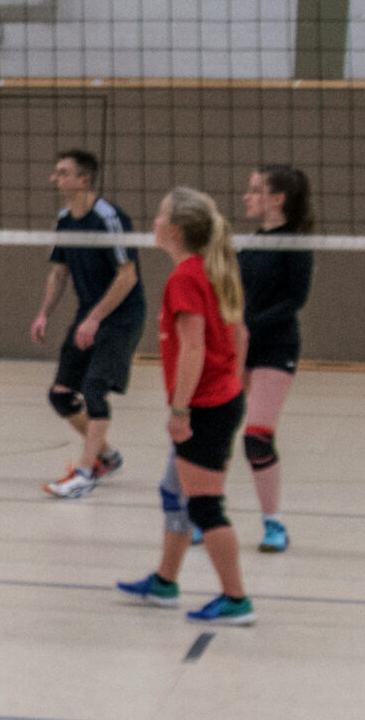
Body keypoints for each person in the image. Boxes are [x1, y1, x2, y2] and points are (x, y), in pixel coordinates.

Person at [115, 188, 257, 625]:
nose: (154, 221)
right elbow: (240, 335)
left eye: (160, 215)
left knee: (205, 507)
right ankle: (165, 582)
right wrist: (234, 386)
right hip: (219, 400)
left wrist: (181, 412)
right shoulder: (211, 270)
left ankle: (236, 600)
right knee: (173, 492)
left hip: (203, 408)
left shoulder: (186, 278)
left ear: (175, 230)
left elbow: (193, 350)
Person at [32, 149, 146, 499]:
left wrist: (95, 318)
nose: (55, 178)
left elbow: (128, 275)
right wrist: (44, 312)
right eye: (56, 172)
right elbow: (59, 271)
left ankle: (84, 474)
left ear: (83, 180)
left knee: (94, 389)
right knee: (61, 396)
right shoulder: (65, 219)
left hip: (121, 315)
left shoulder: (109, 218)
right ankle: (107, 457)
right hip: (89, 314)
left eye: (63, 173)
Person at [236, 166, 313, 553]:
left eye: (255, 190)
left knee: (257, 438)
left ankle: (273, 524)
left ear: (277, 199)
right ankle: (205, 515)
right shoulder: (249, 245)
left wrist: (250, 324)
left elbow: (296, 299)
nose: (246, 197)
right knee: (211, 431)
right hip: (241, 346)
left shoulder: (294, 243)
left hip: (275, 347)